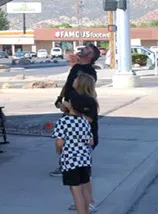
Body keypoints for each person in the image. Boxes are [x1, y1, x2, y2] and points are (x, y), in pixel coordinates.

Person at [51, 43, 99, 177]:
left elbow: (88, 91)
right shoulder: (76, 67)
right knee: (67, 136)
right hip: (70, 107)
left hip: (80, 108)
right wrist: (61, 97)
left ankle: (81, 167)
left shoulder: (90, 72)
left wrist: (78, 108)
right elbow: (68, 84)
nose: (82, 49)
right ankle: (66, 166)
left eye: (87, 49)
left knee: (82, 138)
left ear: (90, 55)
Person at [54, 94, 95, 214]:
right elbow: (91, 142)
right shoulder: (85, 121)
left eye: (68, 101)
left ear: (72, 105)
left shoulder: (63, 121)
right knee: (84, 189)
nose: (66, 102)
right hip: (85, 159)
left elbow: (59, 141)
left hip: (70, 160)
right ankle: (86, 211)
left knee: (76, 191)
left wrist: (58, 150)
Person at [68, 72, 99, 212]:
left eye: (76, 79)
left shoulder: (89, 100)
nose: (73, 80)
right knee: (78, 174)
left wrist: (71, 111)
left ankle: (89, 201)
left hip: (85, 140)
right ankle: (82, 202)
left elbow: (89, 119)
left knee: (84, 174)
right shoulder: (74, 97)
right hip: (73, 140)